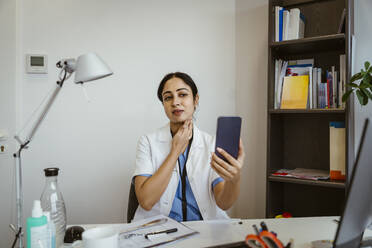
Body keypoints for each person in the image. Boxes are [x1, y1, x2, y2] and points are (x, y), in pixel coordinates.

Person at [132, 72, 245, 222]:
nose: (175, 102)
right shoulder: (147, 142)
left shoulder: (211, 143)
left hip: (203, 231)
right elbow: (146, 201)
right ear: (163, 105)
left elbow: (223, 203)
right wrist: (175, 152)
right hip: (160, 230)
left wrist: (234, 179)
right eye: (168, 97)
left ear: (195, 99)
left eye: (183, 95)